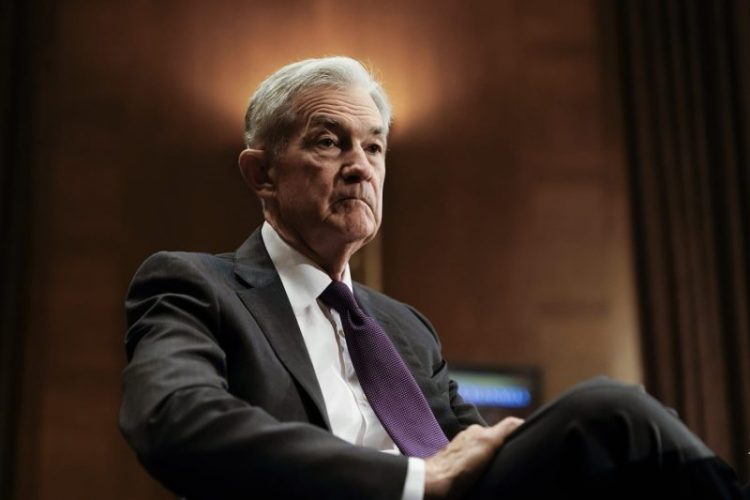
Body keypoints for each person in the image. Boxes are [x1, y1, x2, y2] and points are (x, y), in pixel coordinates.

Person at [119, 56, 747, 500]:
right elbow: (172, 418)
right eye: (330, 142)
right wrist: (412, 481)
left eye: (374, 147)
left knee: (622, 445)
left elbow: (479, 449)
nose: (360, 167)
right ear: (262, 174)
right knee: (609, 413)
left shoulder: (405, 328)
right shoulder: (195, 286)